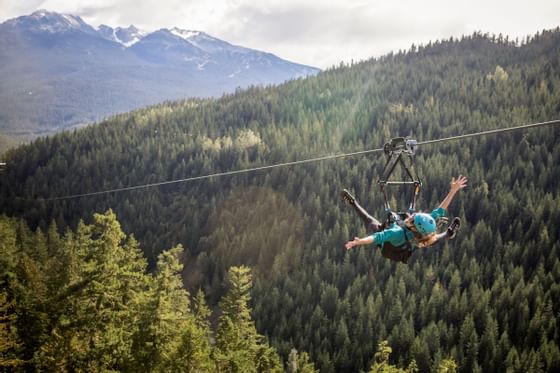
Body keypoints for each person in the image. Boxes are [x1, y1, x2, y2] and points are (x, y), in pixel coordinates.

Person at [343, 175, 467, 262]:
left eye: (413, 217)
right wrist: (453, 191)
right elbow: (441, 210)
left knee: (371, 222)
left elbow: (377, 237)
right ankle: (448, 234)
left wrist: (358, 242)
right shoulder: (422, 228)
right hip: (411, 243)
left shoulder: (397, 233)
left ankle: (353, 202)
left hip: (389, 247)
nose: (413, 215)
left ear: (413, 224)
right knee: (429, 239)